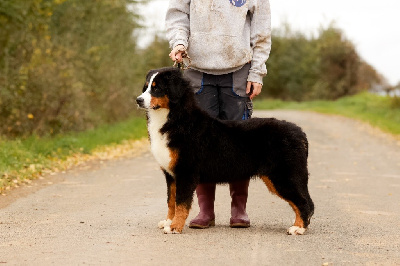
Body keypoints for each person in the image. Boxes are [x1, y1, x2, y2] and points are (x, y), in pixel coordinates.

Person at [165, 0, 271, 229]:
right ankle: (205, 211)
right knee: (196, 146)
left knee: (241, 144)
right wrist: (179, 43)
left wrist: (257, 72)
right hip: (197, 70)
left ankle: (239, 209)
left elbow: (261, 32)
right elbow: (177, 15)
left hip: (239, 69)